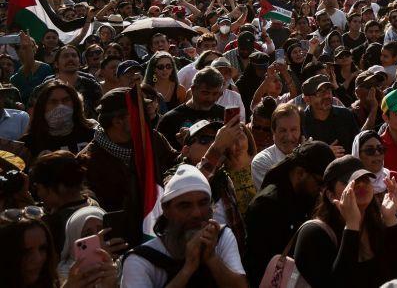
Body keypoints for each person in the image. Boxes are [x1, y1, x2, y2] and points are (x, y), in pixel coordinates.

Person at [292, 155, 397, 287]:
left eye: (365, 178)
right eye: (349, 181)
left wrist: (391, 220)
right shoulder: (314, 234)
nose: (360, 184)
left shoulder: (386, 221)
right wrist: (352, 227)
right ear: (330, 195)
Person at [77, 88, 178, 248]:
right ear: (118, 121)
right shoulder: (89, 159)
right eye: (138, 113)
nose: (145, 117)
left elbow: (174, 165)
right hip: (121, 242)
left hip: (160, 231)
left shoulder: (153, 139)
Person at [121, 164, 247, 287]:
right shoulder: (140, 260)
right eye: (185, 206)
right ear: (166, 210)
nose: (196, 214)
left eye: (203, 203)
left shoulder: (221, 237)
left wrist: (211, 258)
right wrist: (188, 269)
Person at [242, 140, 334, 281]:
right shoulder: (267, 205)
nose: (322, 191)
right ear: (300, 173)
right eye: (319, 183)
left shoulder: (307, 197)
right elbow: (260, 265)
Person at [28, 151, 94, 253]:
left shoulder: (56, 223)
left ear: (60, 187)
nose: (39, 194)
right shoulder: (92, 202)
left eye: (39, 188)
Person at [22, 80, 96, 158]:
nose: (60, 106)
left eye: (66, 100)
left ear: (75, 103)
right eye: (53, 102)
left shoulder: (93, 135)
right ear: (42, 107)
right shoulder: (29, 143)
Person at [157, 67, 226, 147]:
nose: (210, 98)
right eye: (205, 93)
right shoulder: (171, 119)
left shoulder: (224, 114)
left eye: (215, 94)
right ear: (193, 89)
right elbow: (161, 155)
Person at [300, 75, 359, 155]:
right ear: (307, 99)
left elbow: (358, 145)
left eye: (328, 91)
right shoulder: (300, 122)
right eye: (320, 93)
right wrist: (325, 153)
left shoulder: (345, 115)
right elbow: (299, 156)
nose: (327, 96)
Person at [250, 102, 301, 190]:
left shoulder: (309, 156)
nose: (289, 136)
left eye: (293, 130)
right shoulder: (261, 161)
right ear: (273, 131)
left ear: (300, 131)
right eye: (283, 130)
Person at [352, 129, 397, 199]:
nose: (377, 153)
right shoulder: (353, 187)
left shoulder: (394, 178)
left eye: (380, 149)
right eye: (370, 150)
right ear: (358, 155)